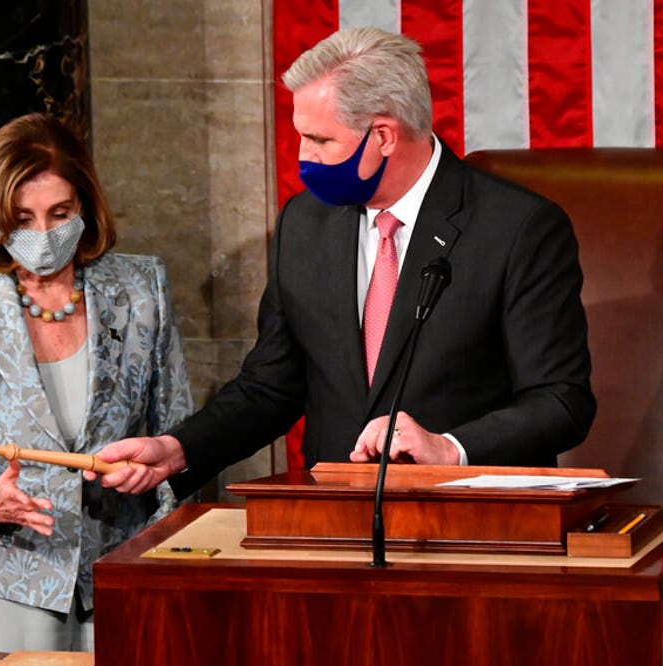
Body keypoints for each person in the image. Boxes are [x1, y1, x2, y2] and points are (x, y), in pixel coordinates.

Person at [90, 27, 594, 499]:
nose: (301, 156)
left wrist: (450, 447)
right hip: (334, 522)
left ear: (383, 137)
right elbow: (271, 387)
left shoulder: (518, 228)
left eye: (320, 140)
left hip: (467, 526)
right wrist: (178, 450)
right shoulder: (305, 225)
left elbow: (560, 400)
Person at [0, 112, 192, 653]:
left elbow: (179, 434)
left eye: (59, 214)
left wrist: (168, 530)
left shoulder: (142, 286)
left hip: (124, 569)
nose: (42, 235)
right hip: (7, 576)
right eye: (22, 218)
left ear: (84, 205)